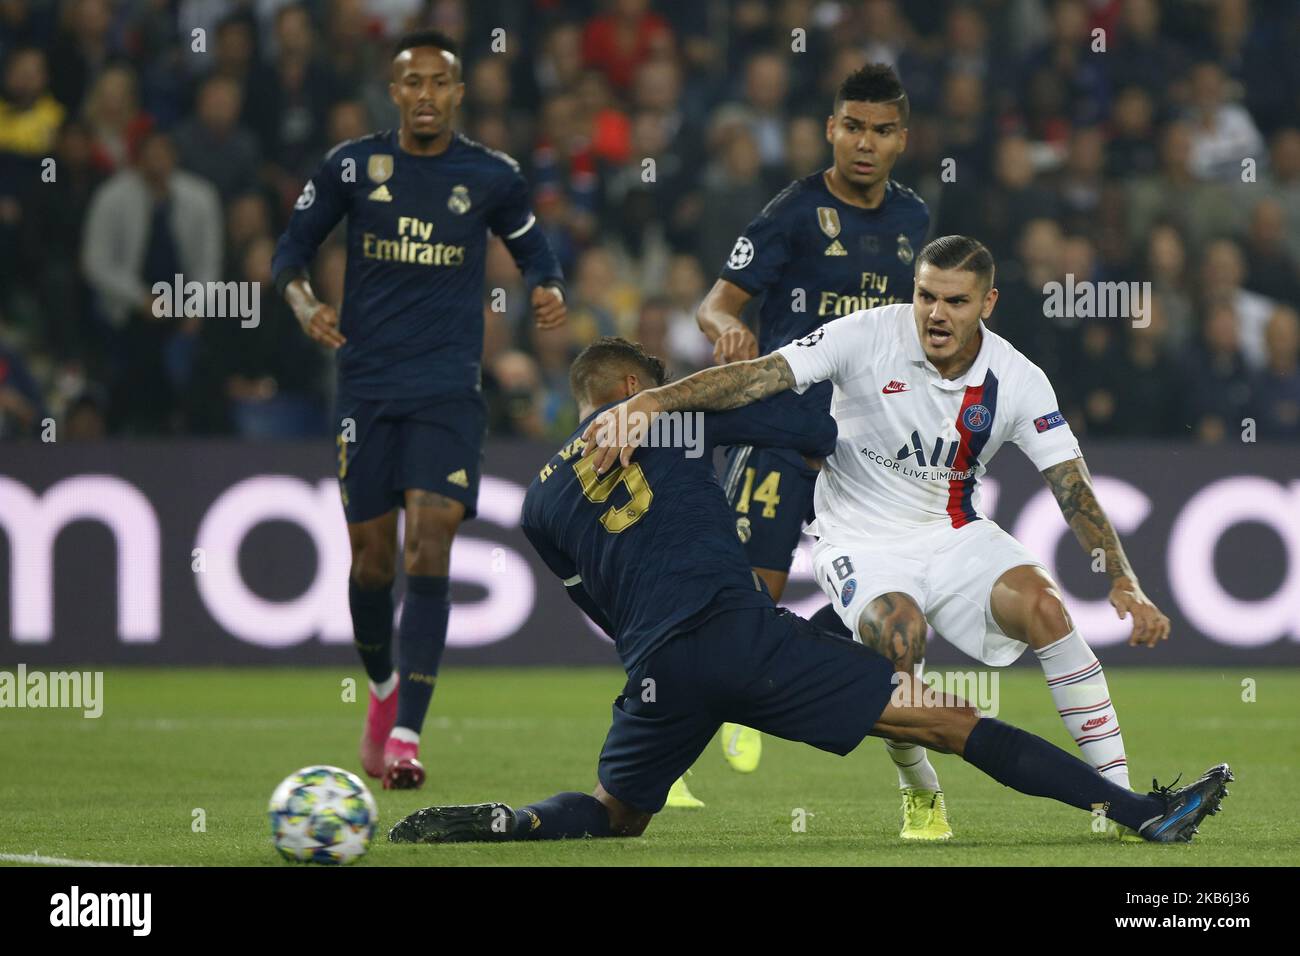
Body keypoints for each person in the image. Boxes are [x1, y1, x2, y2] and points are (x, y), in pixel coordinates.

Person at [388, 336, 1230, 846]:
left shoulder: (538, 499)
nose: (670, 389)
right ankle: (1139, 811)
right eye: (653, 380)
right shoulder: (674, 416)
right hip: (736, 636)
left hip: (655, 665)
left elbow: (594, 600)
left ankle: (518, 822)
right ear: (623, 393)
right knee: (949, 719)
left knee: (617, 813)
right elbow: (806, 426)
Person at [586, 236, 1171, 841]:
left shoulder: (1019, 379)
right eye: (925, 296)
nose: (937, 314)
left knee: (1047, 608)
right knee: (900, 636)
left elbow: (1071, 485)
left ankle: (1122, 803)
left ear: (987, 303)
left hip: (952, 532)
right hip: (858, 539)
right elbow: (760, 378)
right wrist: (655, 400)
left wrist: (1123, 580)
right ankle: (919, 789)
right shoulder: (863, 336)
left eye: (956, 301)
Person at [271, 30, 566, 790]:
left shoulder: (490, 174)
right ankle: (380, 692)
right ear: (394, 92)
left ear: (458, 93)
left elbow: (535, 249)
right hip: (367, 388)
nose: (426, 95)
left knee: (428, 546)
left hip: (446, 389)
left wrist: (547, 286)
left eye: (440, 82)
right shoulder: (352, 166)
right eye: (413, 82)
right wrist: (305, 306)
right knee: (372, 562)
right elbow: (289, 256)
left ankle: (406, 735)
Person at [690, 63, 932, 824]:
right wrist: (728, 328)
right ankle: (669, 760)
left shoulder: (916, 222)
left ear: (903, 138)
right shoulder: (794, 212)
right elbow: (716, 303)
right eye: (852, 126)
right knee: (744, 605)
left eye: (882, 130)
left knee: (900, 623)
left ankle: (911, 781)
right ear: (831, 128)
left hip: (870, 454)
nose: (866, 143)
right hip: (779, 433)